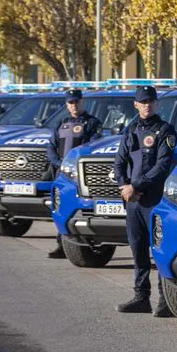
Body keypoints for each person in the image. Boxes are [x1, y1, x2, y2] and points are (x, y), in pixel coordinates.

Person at [114, 85, 177, 317]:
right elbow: (119, 162)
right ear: (136, 104)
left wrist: (136, 186)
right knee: (137, 249)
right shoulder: (130, 130)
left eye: (151, 101)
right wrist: (124, 187)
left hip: (155, 200)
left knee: (158, 250)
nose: (147, 105)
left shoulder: (165, 131)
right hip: (132, 201)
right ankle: (141, 297)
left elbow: (162, 167)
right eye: (143, 101)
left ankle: (165, 300)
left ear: (156, 103)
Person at [47, 88, 104, 259]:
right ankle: (61, 244)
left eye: (76, 102)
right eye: (70, 103)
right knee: (60, 209)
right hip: (62, 173)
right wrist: (58, 163)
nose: (74, 105)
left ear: (82, 102)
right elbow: (51, 146)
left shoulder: (92, 123)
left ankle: (84, 246)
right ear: (67, 104)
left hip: (79, 176)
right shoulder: (61, 123)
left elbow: (93, 148)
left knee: (78, 209)